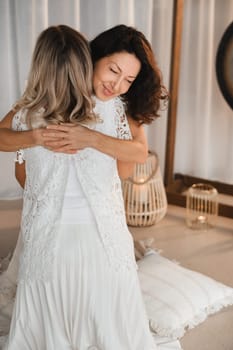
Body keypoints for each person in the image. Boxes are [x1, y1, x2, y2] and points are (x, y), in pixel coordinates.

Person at [0, 24, 168, 349]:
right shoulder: (37, 105)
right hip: (50, 219)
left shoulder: (117, 107)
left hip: (100, 217)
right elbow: (21, 169)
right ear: (93, 59)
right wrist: (36, 143)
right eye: (113, 71)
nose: (117, 85)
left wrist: (90, 139)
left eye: (128, 80)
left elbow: (137, 153)